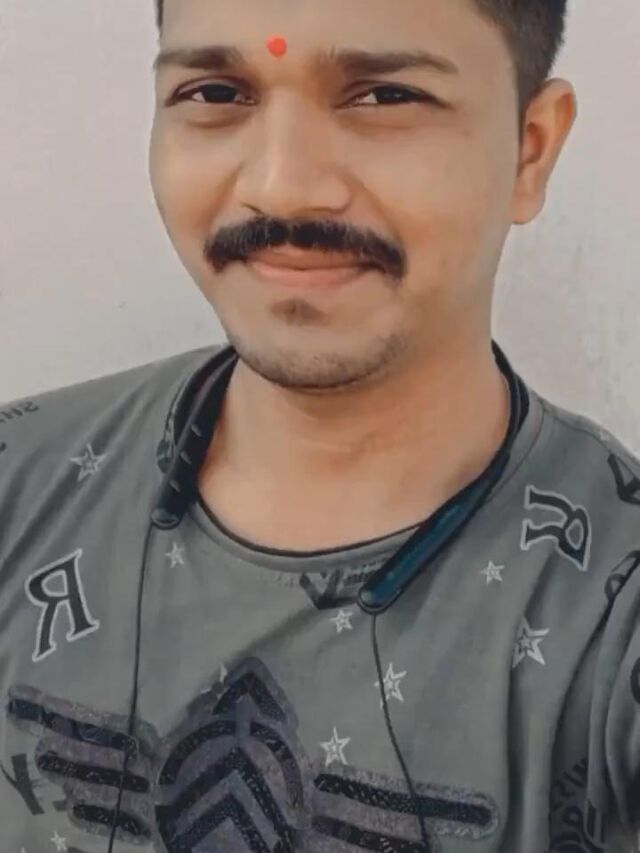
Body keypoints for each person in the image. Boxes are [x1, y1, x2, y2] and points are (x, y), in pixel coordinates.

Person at [1, 0, 639, 850]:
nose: (281, 185)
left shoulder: (613, 612)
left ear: (530, 149)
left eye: (384, 96)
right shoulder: (18, 478)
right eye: (216, 92)